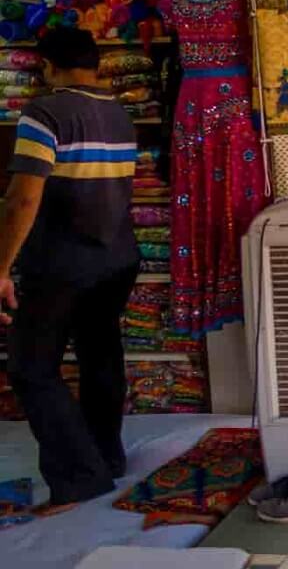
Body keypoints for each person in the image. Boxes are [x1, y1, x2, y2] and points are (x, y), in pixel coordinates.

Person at [0, 27, 139, 515]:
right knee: (100, 353)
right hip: (117, 258)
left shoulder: (44, 113)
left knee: (31, 366)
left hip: (62, 262)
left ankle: (80, 479)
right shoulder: (119, 114)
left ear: (48, 66)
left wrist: (1, 267)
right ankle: (107, 457)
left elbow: (23, 198)